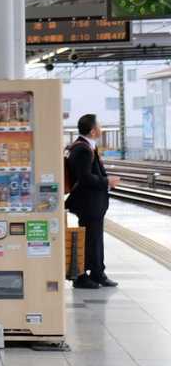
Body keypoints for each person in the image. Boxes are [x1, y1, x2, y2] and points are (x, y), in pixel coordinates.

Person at [65, 113, 120, 290]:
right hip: (88, 203)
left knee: (94, 238)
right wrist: (107, 181)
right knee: (90, 239)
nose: (101, 129)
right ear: (93, 130)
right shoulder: (82, 149)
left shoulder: (86, 146)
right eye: (100, 126)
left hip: (92, 202)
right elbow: (85, 178)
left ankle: (97, 272)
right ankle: (81, 276)